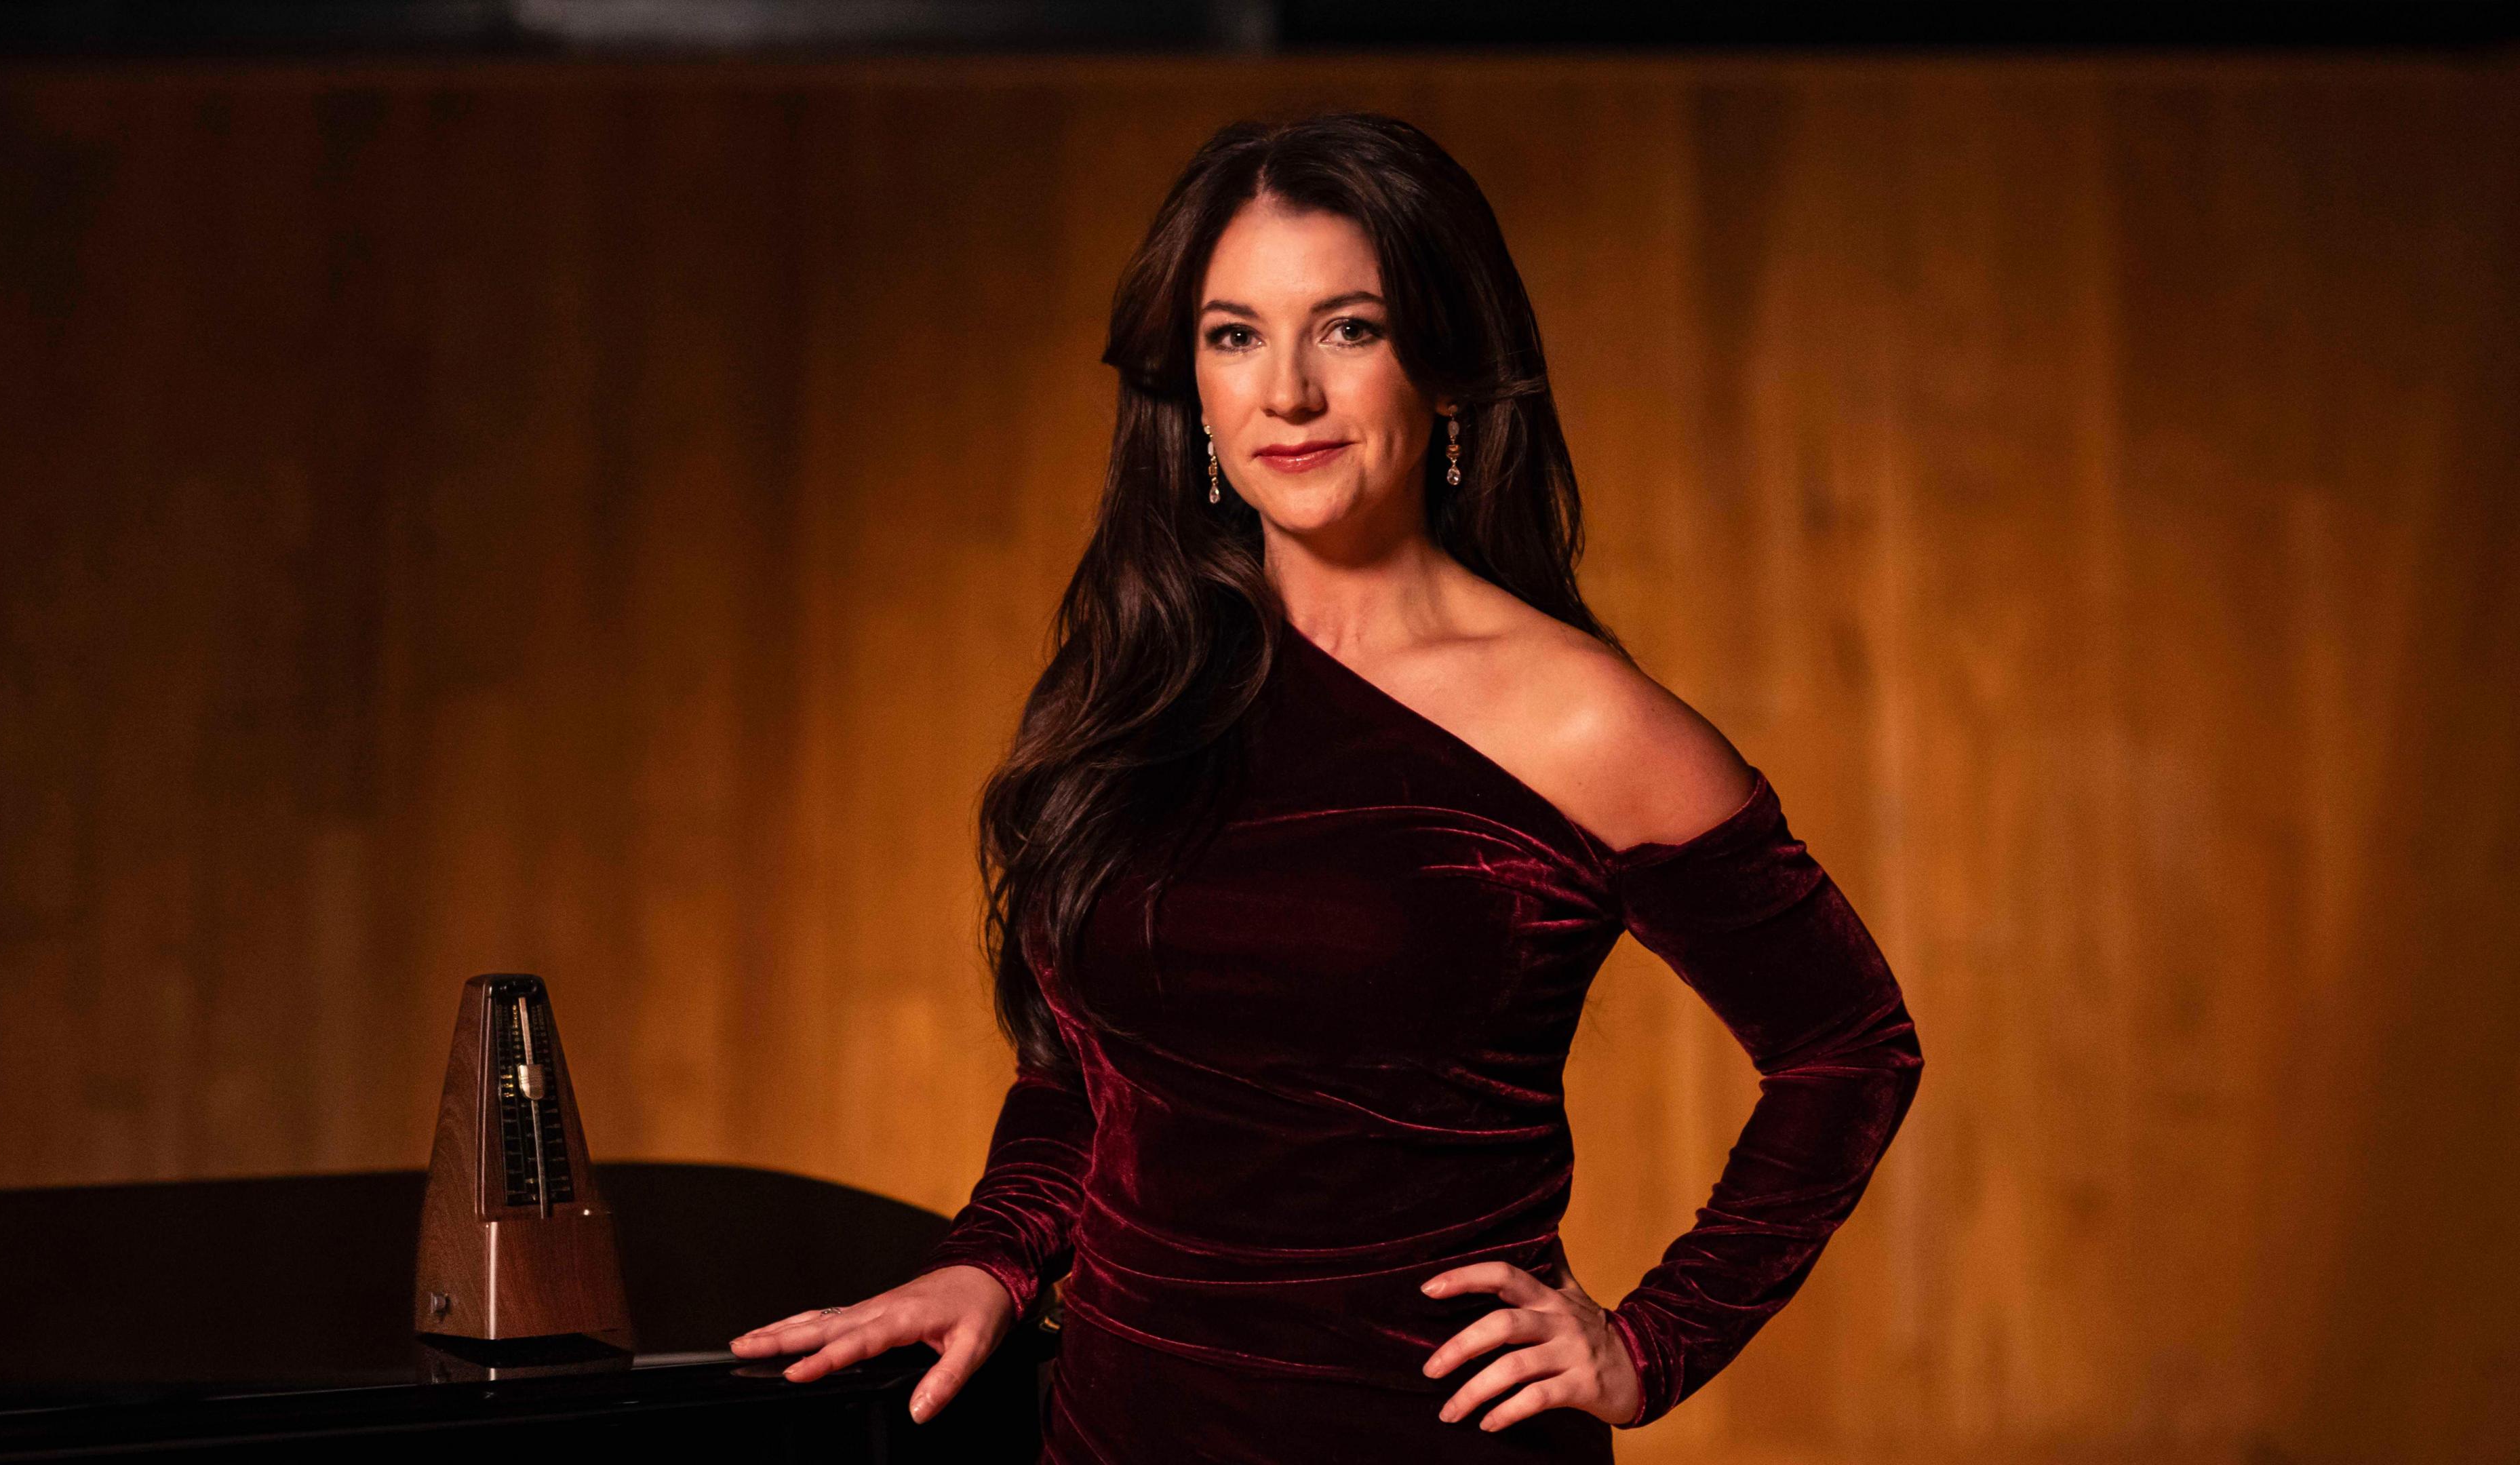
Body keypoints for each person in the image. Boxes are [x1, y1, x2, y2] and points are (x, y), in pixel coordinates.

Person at [732, 111, 1924, 1462]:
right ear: (1189, 386)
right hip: (1111, 1433)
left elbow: (1849, 1043)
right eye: (1234, 335)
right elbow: (1094, 1068)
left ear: (1450, 367)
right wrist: (992, 1258)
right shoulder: (1142, 682)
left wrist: (1653, 1342)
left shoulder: (1585, 719)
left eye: (1347, 329)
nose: (1285, 392)